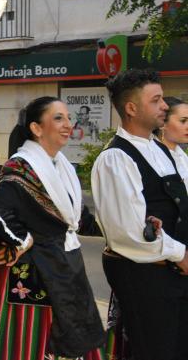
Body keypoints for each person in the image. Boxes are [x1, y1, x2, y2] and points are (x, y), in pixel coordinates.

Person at [0, 97, 105, 360]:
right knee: (32, 345)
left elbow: (76, 218)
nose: (67, 124)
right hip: (34, 273)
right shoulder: (19, 167)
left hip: (66, 264)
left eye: (67, 117)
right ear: (36, 128)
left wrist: (114, 230)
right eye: (58, 118)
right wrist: (22, 241)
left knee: (75, 334)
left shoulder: (62, 167)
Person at [92, 69, 188, 360]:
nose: (163, 106)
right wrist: (182, 255)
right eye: (156, 100)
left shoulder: (160, 149)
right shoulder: (115, 158)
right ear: (131, 108)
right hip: (147, 279)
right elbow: (128, 233)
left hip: (173, 276)